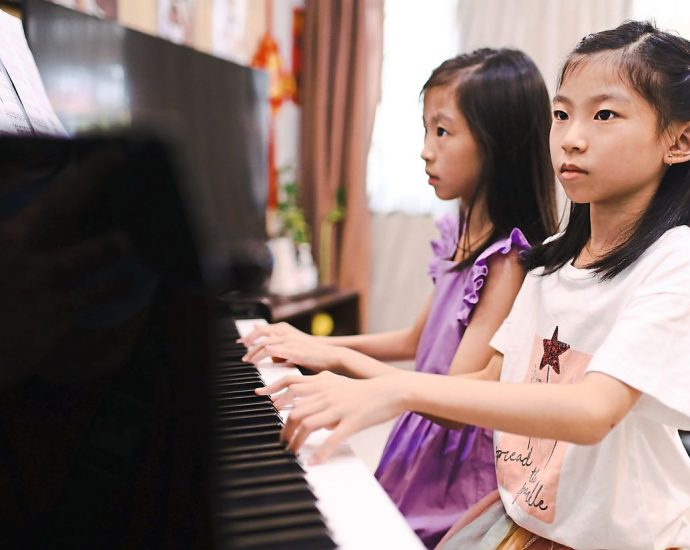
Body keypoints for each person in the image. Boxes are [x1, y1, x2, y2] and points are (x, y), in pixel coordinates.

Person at [256, 20, 690, 549]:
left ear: (680, 139)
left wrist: (396, 386)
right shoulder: (551, 262)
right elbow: (493, 375)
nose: (572, 138)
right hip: (527, 513)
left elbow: (593, 411)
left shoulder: (674, 259)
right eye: (561, 114)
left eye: (604, 114)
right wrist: (356, 376)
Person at [241, 48, 558, 547]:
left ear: (497, 143)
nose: (426, 149)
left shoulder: (507, 260)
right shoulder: (459, 235)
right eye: (426, 129)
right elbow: (418, 339)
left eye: (443, 131)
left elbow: (457, 399)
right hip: (421, 431)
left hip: (455, 465)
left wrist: (339, 355)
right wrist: (315, 344)